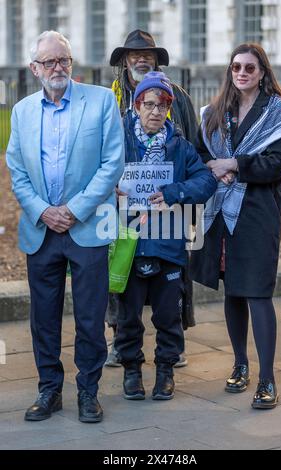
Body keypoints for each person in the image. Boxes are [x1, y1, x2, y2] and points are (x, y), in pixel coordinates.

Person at [6, 31, 124, 423]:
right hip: (41, 231)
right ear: (34, 68)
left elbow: (112, 164)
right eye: (50, 62)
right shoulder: (22, 111)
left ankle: (88, 393)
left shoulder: (101, 101)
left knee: (90, 317)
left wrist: (73, 210)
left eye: (65, 60)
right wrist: (43, 210)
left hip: (86, 227)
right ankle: (49, 391)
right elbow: (16, 169)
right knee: (43, 318)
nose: (59, 68)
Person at [190, 43, 281, 409]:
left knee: (257, 292)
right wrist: (215, 168)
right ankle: (240, 365)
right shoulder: (216, 112)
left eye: (250, 68)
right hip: (221, 210)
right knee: (233, 290)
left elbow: (276, 163)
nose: (242, 73)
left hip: (256, 212)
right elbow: (200, 152)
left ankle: (267, 380)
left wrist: (233, 165)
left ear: (263, 72)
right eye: (236, 66)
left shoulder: (278, 113)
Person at [114, 71, 217, 401]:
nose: (156, 111)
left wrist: (175, 192)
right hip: (129, 243)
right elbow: (94, 175)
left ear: (170, 108)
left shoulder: (181, 148)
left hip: (168, 243)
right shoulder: (118, 143)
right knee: (128, 316)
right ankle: (131, 370)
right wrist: (109, 189)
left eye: (163, 105)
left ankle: (165, 371)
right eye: (149, 103)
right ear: (136, 105)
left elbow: (206, 182)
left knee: (167, 315)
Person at [106, 29, 199, 368]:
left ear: (157, 59)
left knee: (173, 276)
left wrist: (185, 194)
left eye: (147, 54)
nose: (141, 59)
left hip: (170, 206)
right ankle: (120, 340)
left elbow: (194, 146)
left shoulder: (177, 96)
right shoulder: (112, 98)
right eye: (134, 55)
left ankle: (175, 344)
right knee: (122, 269)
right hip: (125, 207)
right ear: (125, 61)